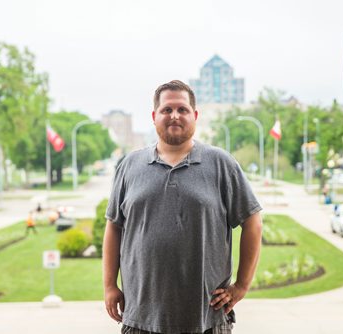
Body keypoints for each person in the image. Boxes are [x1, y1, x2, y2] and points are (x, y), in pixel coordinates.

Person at [103, 80, 262, 334]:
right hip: (139, 320)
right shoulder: (129, 166)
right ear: (154, 116)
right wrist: (110, 285)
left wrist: (242, 285)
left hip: (206, 320)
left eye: (182, 109)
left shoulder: (221, 164)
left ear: (194, 116)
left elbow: (253, 222)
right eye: (167, 110)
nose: (174, 115)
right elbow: (114, 227)